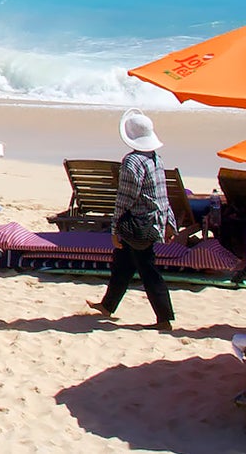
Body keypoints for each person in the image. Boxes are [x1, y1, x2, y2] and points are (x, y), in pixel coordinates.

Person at [87, 111, 176, 332]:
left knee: (147, 269)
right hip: (153, 220)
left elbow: (125, 199)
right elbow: (162, 195)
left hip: (137, 224)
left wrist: (115, 228)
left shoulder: (131, 162)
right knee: (122, 264)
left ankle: (164, 318)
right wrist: (169, 221)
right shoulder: (156, 158)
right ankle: (108, 305)